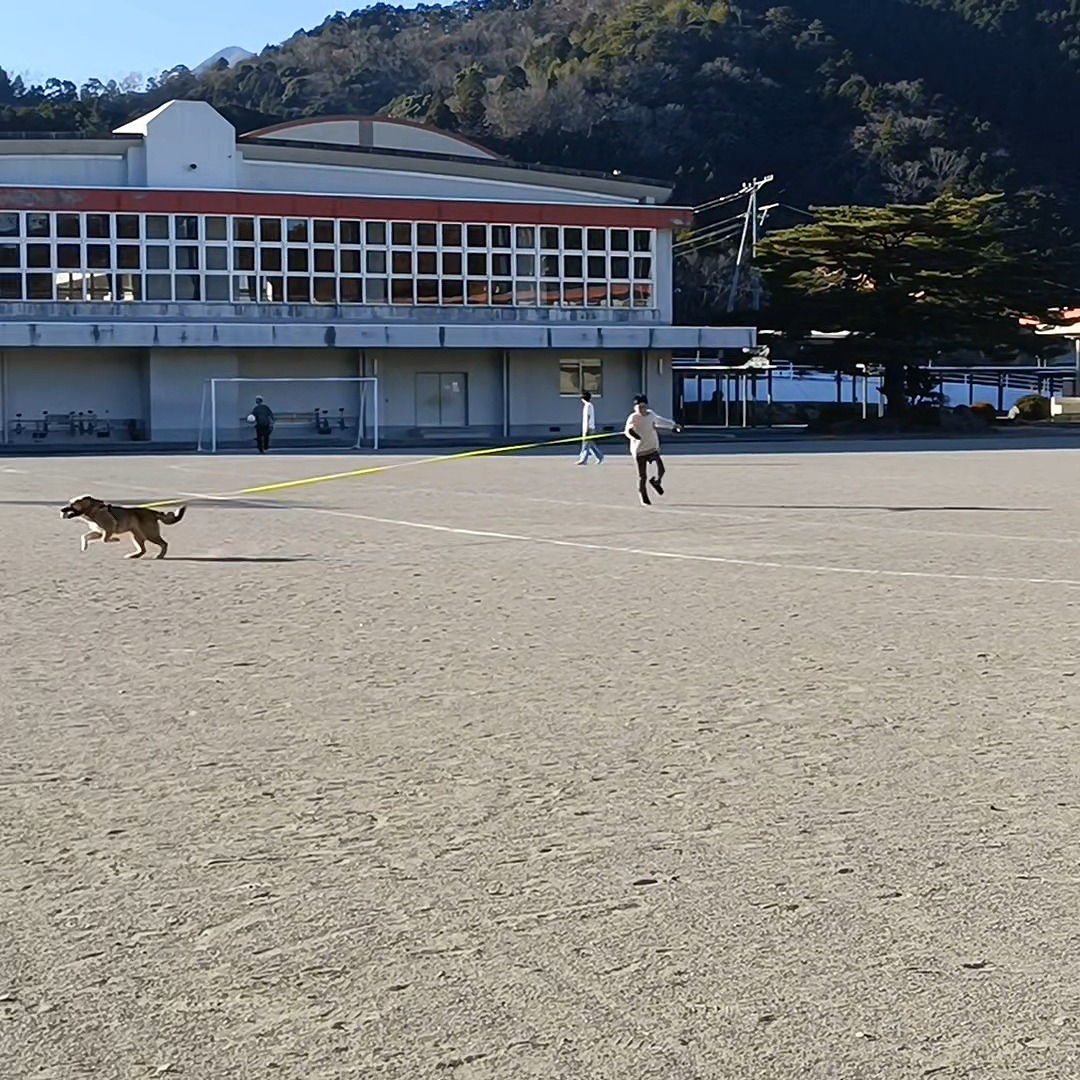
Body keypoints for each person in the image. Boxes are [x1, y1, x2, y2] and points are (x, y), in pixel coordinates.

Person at [624, 394, 679, 505]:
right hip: (639, 451)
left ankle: (656, 482)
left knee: (661, 469)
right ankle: (644, 496)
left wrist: (673, 426)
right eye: (639, 407)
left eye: (643, 407)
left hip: (652, 447)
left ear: (647, 406)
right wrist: (633, 435)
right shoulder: (633, 417)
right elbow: (627, 431)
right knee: (642, 476)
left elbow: (660, 421)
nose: (642, 409)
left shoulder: (651, 415)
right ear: (635, 408)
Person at [576, 390, 604, 465]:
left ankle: (583, 459)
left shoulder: (588, 406)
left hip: (589, 428)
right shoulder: (589, 405)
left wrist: (587, 428)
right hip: (589, 427)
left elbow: (588, 417)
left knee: (585, 444)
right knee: (590, 445)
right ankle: (600, 456)